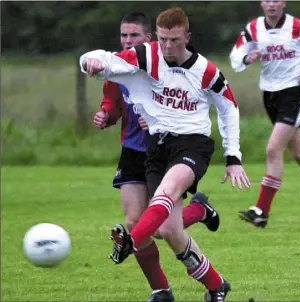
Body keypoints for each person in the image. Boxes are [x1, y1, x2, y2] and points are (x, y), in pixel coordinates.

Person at [81, 7, 251, 301]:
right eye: (163, 40)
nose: (168, 47)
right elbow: (106, 60)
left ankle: (133, 244)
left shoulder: (207, 71)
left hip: (192, 145)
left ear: (187, 36)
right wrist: (90, 62)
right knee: (170, 231)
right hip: (158, 147)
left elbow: (228, 107)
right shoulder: (148, 56)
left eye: (174, 40)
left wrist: (232, 156)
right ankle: (216, 285)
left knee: (167, 191)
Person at [229, 0, 300, 228]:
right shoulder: (253, 28)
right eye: (267, 0)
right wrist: (245, 59)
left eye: (276, 0)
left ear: (284, 3)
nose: (271, 4)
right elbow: (237, 54)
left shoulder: (298, 26)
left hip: (295, 92)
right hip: (270, 94)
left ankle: (261, 211)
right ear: (261, 4)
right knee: (299, 153)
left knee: (273, 148)